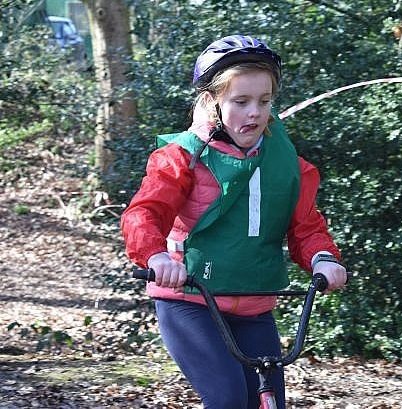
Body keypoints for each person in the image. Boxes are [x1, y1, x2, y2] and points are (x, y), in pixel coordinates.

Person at [120, 34, 348, 408]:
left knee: (268, 402)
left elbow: (306, 227)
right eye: (240, 102)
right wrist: (156, 257)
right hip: (191, 300)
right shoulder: (183, 158)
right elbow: (144, 213)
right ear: (212, 102)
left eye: (264, 101)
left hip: (254, 303)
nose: (255, 113)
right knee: (229, 399)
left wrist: (323, 259)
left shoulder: (284, 164)